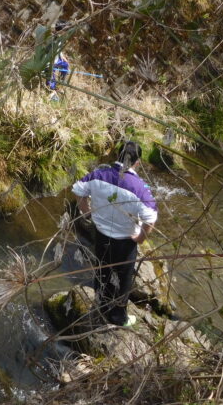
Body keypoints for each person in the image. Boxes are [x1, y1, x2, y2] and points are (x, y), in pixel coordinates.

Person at [72, 140, 157, 327]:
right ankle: (118, 316)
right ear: (137, 162)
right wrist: (141, 238)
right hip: (125, 241)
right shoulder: (140, 188)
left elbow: (78, 189)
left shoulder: (98, 175)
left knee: (103, 269)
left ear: (118, 156)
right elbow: (150, 218)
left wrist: (86, 210)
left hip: (101, 234)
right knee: (124, 277)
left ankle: (102, 304)